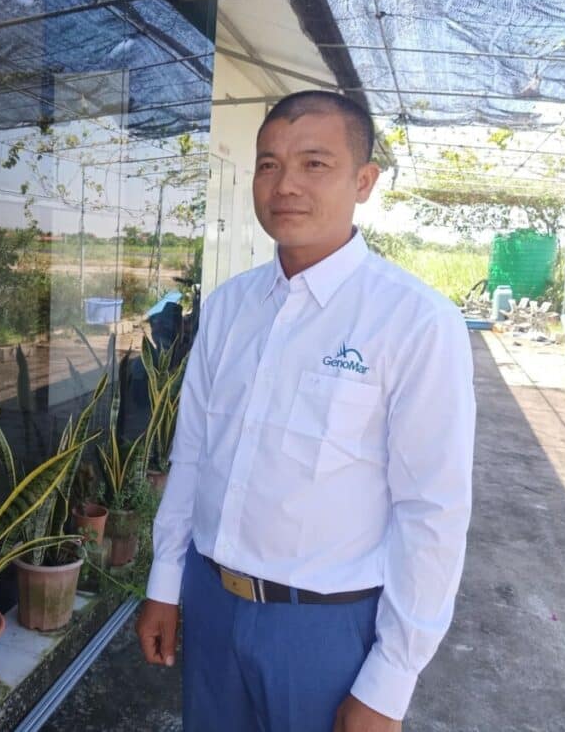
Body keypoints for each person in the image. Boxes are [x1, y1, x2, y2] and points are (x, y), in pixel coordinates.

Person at [136, 90, 476, 732]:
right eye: (268, 164)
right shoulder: (232, 307)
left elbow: (431, 512)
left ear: (364, 181)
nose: (285, 184)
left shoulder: (414, 322)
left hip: (325, 629)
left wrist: (390, 681)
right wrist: (165, 583)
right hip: (212, 603)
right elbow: (193, 454)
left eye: (314, 163)